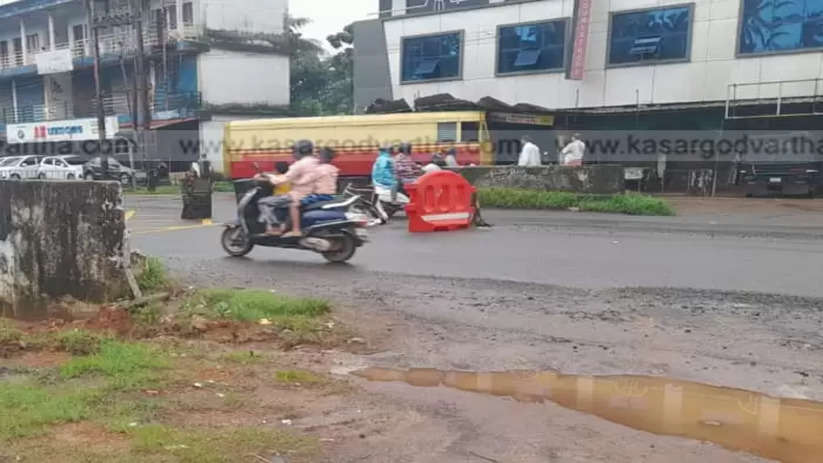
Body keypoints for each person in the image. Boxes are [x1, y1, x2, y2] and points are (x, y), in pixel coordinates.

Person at [257, 140, 319, 237]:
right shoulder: (316, 162)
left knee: (263, 202)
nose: (293, 154)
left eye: (294, 151)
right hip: (313, 194)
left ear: (301, 151)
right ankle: (285, 226)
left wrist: (270, 177)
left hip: (299, 195)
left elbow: (282, 179)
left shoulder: (299, 164)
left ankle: (275, 227)